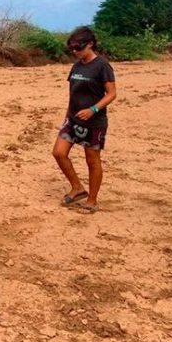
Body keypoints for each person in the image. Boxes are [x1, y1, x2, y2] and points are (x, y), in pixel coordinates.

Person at [52, 26, 116, 214]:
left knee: (92, 161)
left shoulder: (102, 66)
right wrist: (66, 117)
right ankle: (77, 187)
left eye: (78, 48)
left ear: (90, 44)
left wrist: (93, 109)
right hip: (73, 119)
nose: (74, 52)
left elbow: (112, 94)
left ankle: (92, 200)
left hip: (94, 122)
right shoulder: (77, 66)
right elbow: (72, 94)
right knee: (58, 153)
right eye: (71, 48)